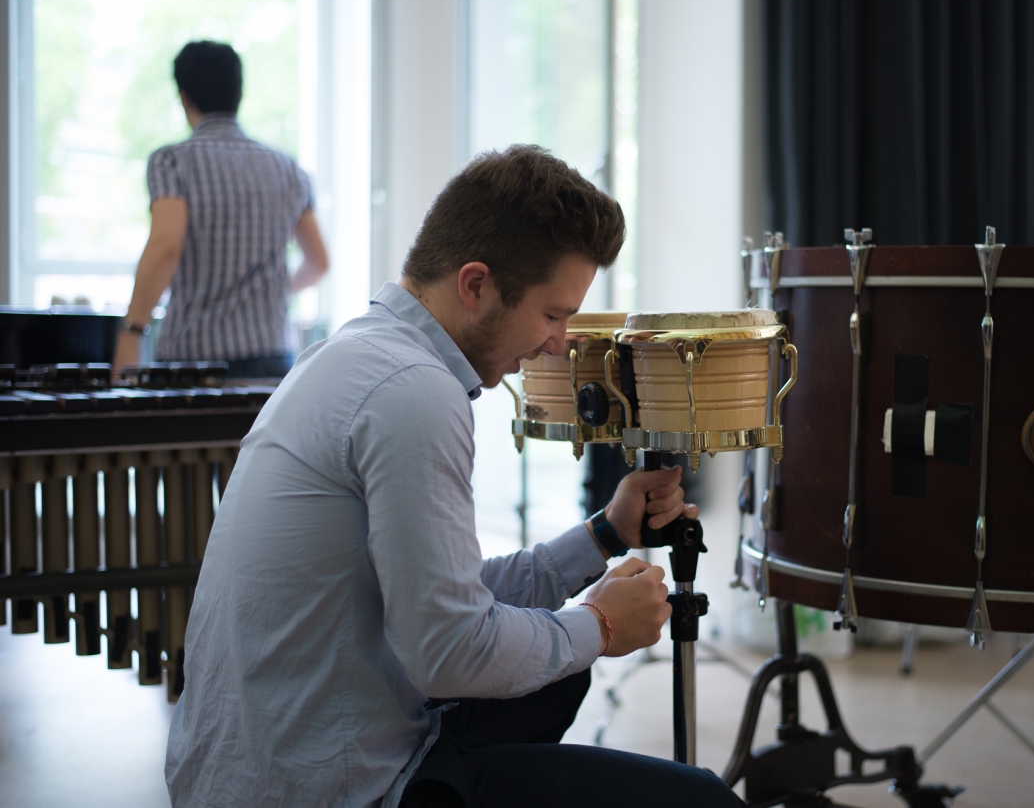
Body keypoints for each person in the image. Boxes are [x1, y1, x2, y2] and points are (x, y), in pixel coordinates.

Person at [164, 145, 741, 808]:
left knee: (555, 677)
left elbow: (442, 598)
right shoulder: (415, 393)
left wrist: (604, 536)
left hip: (261, 765)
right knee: (702, 799)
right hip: (324, 789)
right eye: (552, 315)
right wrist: (601, 626)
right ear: (475, 285)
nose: (558, 342)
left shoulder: (357, 352)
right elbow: (450, 651)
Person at [114, 40, 328, 379]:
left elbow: (166, 246)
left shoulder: (172, 162)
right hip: (273, 360)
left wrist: (132, 332)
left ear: (184, 96)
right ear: (238, 94)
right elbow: (319, 262)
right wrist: (267, 290)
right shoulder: (287, 168)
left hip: (195, 362)